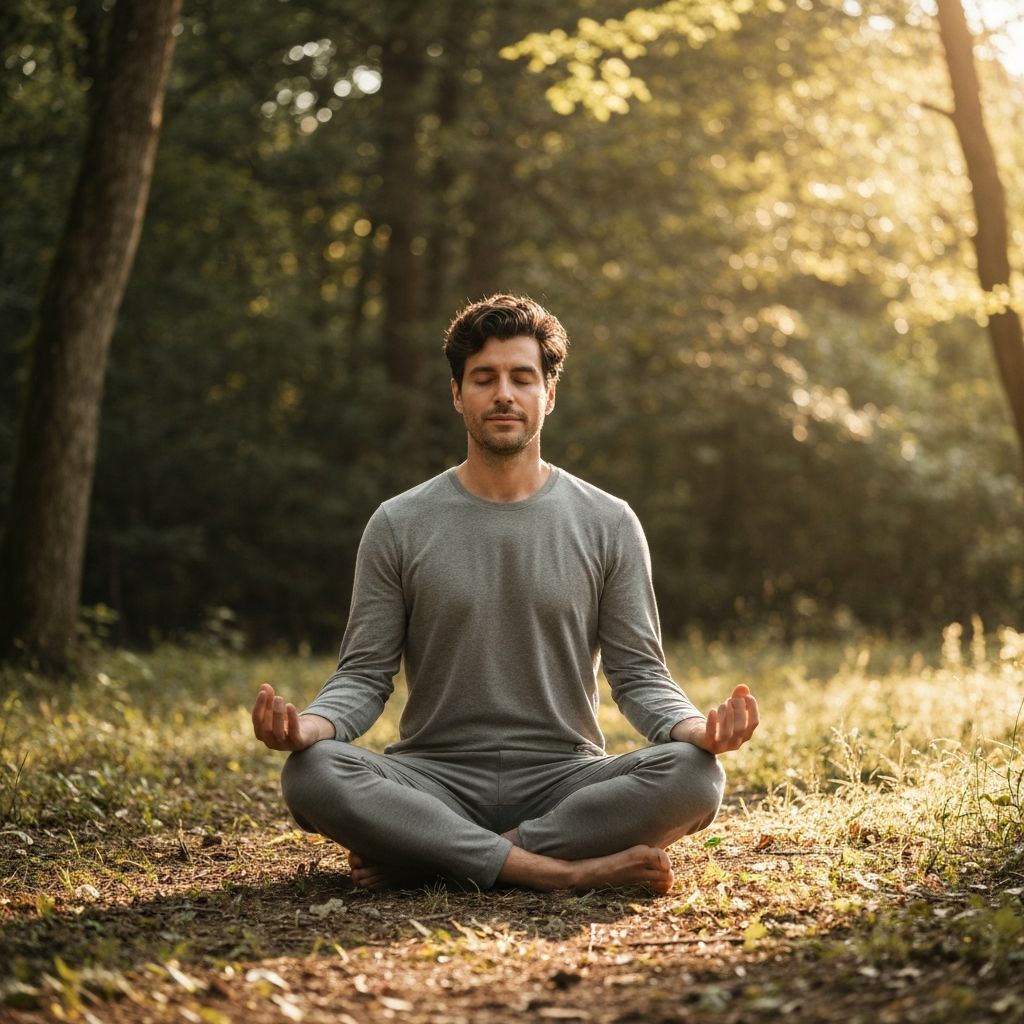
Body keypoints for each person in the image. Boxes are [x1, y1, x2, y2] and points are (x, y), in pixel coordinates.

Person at [252, 293, 758, 893]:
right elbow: (363, 676)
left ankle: (429, 856)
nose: (503, 394)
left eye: (522, 377)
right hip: (432, 779)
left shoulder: (609, 522)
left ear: (549, 393)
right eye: (484, 378)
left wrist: (694, 729)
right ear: (457, 393)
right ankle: (555, 871)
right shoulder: (398, 523)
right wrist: (311, 726)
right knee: (311, 773)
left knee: (695, 776)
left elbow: (639, 675)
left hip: (565, 780)